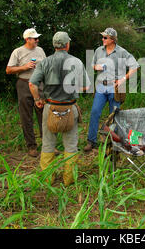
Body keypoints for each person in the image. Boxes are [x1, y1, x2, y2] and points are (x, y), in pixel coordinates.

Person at [29, 31, 90, 186]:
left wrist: (37, 99)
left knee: (48, 144)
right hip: (69, 108)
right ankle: (68, 180)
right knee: (71, 146)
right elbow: (86, 87)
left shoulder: (45, 62)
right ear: (67, 45)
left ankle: (48, 179)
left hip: (50, 107)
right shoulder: (76, 62)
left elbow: (32, 84)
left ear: (54, 45)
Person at [84, 27, 140, 152]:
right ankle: (91, 141)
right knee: (95, 112)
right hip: (100, 87)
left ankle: (113, 142)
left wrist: (123, 79)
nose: (102, 39)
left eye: (105, 37)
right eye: (102, 37)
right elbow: (92, 65)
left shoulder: (122, 52)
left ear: (113, 39)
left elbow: (135, 66)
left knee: (114, 116)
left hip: (115, 88)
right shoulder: (99, 50)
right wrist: (96, 67)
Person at [6, 28, 46, 157]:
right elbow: (8, 70)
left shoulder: (40, 50)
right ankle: (31, 146)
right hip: (24, 83)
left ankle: (47, 145)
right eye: (35, 39)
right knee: (26, 116)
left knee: (43, 115)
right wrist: (24, 67)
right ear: (27, 39)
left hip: (39, 84)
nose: (37, 40)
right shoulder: (18, 52)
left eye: (37, 38)